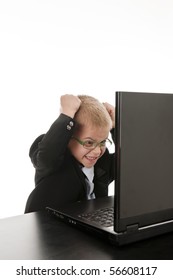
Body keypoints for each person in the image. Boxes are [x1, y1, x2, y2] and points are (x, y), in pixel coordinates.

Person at [25, 94, 115, 213]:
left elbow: (129, 162)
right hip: (48, 225)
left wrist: (115, 127)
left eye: (103, 142)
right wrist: (66, 116)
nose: (98, 151)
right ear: (68, 138)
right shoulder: (53, 159)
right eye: (89, 142)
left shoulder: (102, 161)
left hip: (88, 224)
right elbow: (47, 154)